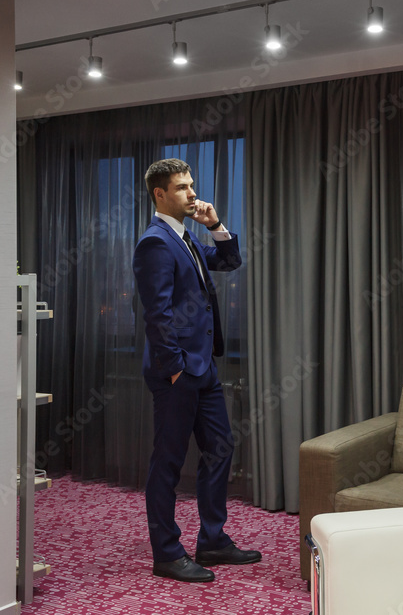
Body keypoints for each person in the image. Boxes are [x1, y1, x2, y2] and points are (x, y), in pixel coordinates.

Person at [133, 158, 260, 583]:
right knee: (167, 464)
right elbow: (157, 314)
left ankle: (213, 541)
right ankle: (167, 553)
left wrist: (215, 224)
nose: (192, 193)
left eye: (191, 185)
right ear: (160, 194)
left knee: (220, 448)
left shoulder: (184, 238)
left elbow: (229, 261)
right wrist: (174, 369)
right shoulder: (155, 243)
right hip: (178, 372)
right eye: (182, 187)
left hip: (203, 368)